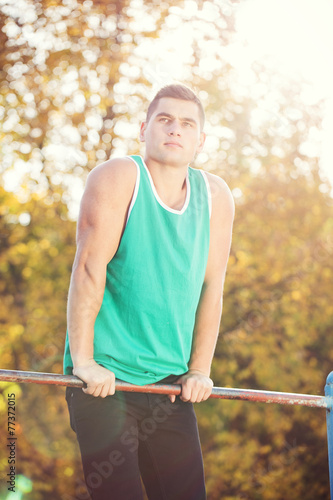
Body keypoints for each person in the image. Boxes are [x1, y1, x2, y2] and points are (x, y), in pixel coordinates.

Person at [63, 83, 235, 500]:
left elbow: (212, 287)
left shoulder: (215, 196)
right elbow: (88, 270)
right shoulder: (119, 177)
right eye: (165, 119)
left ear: (200, 140)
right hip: (104, 380)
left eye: (186, 123)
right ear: (144, 128)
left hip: (169, 386)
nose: (175, 129)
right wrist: (84, 362)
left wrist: (199, 370)